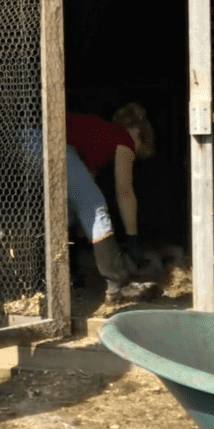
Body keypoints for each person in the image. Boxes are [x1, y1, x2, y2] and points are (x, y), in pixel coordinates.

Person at [65, 103, 156, 303]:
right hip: (48, 142)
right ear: (139, 135)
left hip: (25, 139)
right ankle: (117, 283)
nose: (133, 156)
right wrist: (133, 239)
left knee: (66, 214)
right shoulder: (124, 138)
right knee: (95, 206)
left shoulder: (96, 138)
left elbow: (79, 197)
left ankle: (68, 277)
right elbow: (125, 193)